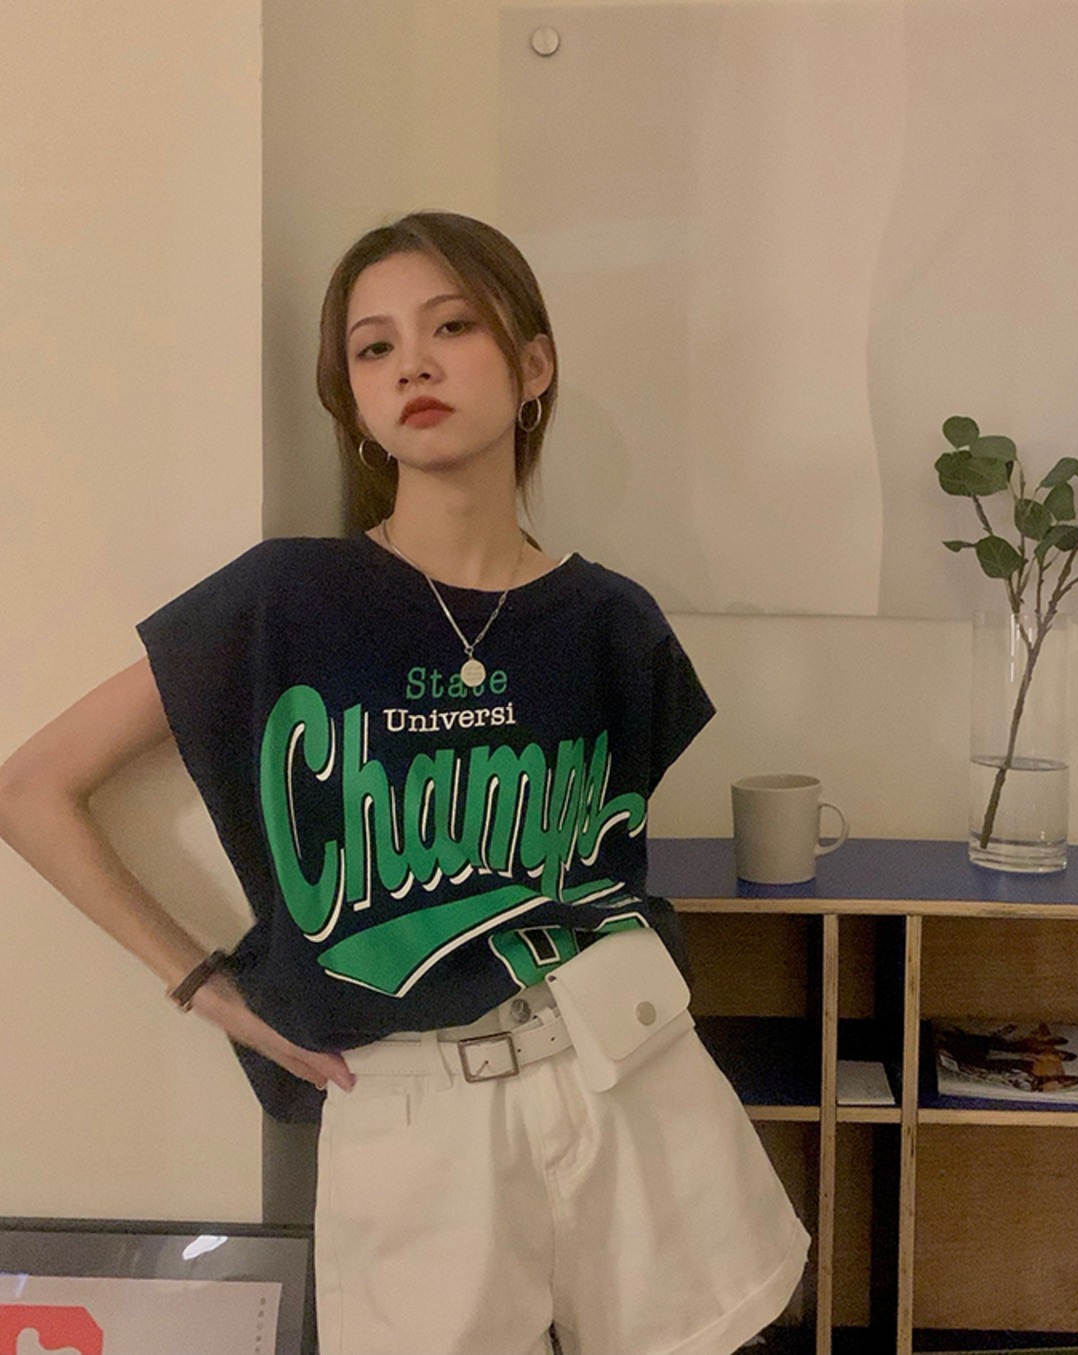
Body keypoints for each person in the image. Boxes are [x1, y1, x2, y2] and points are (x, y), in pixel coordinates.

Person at [0, 211, 810, 1355]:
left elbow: (600, 864)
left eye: (452, 326)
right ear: (352, 398)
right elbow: (31, 789)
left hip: (626, 1070)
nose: (412, 364)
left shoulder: (610, 619)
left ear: (533, 366)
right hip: (412, 1108)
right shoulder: (286, 598)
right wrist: (207, 988)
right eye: (373, 346)